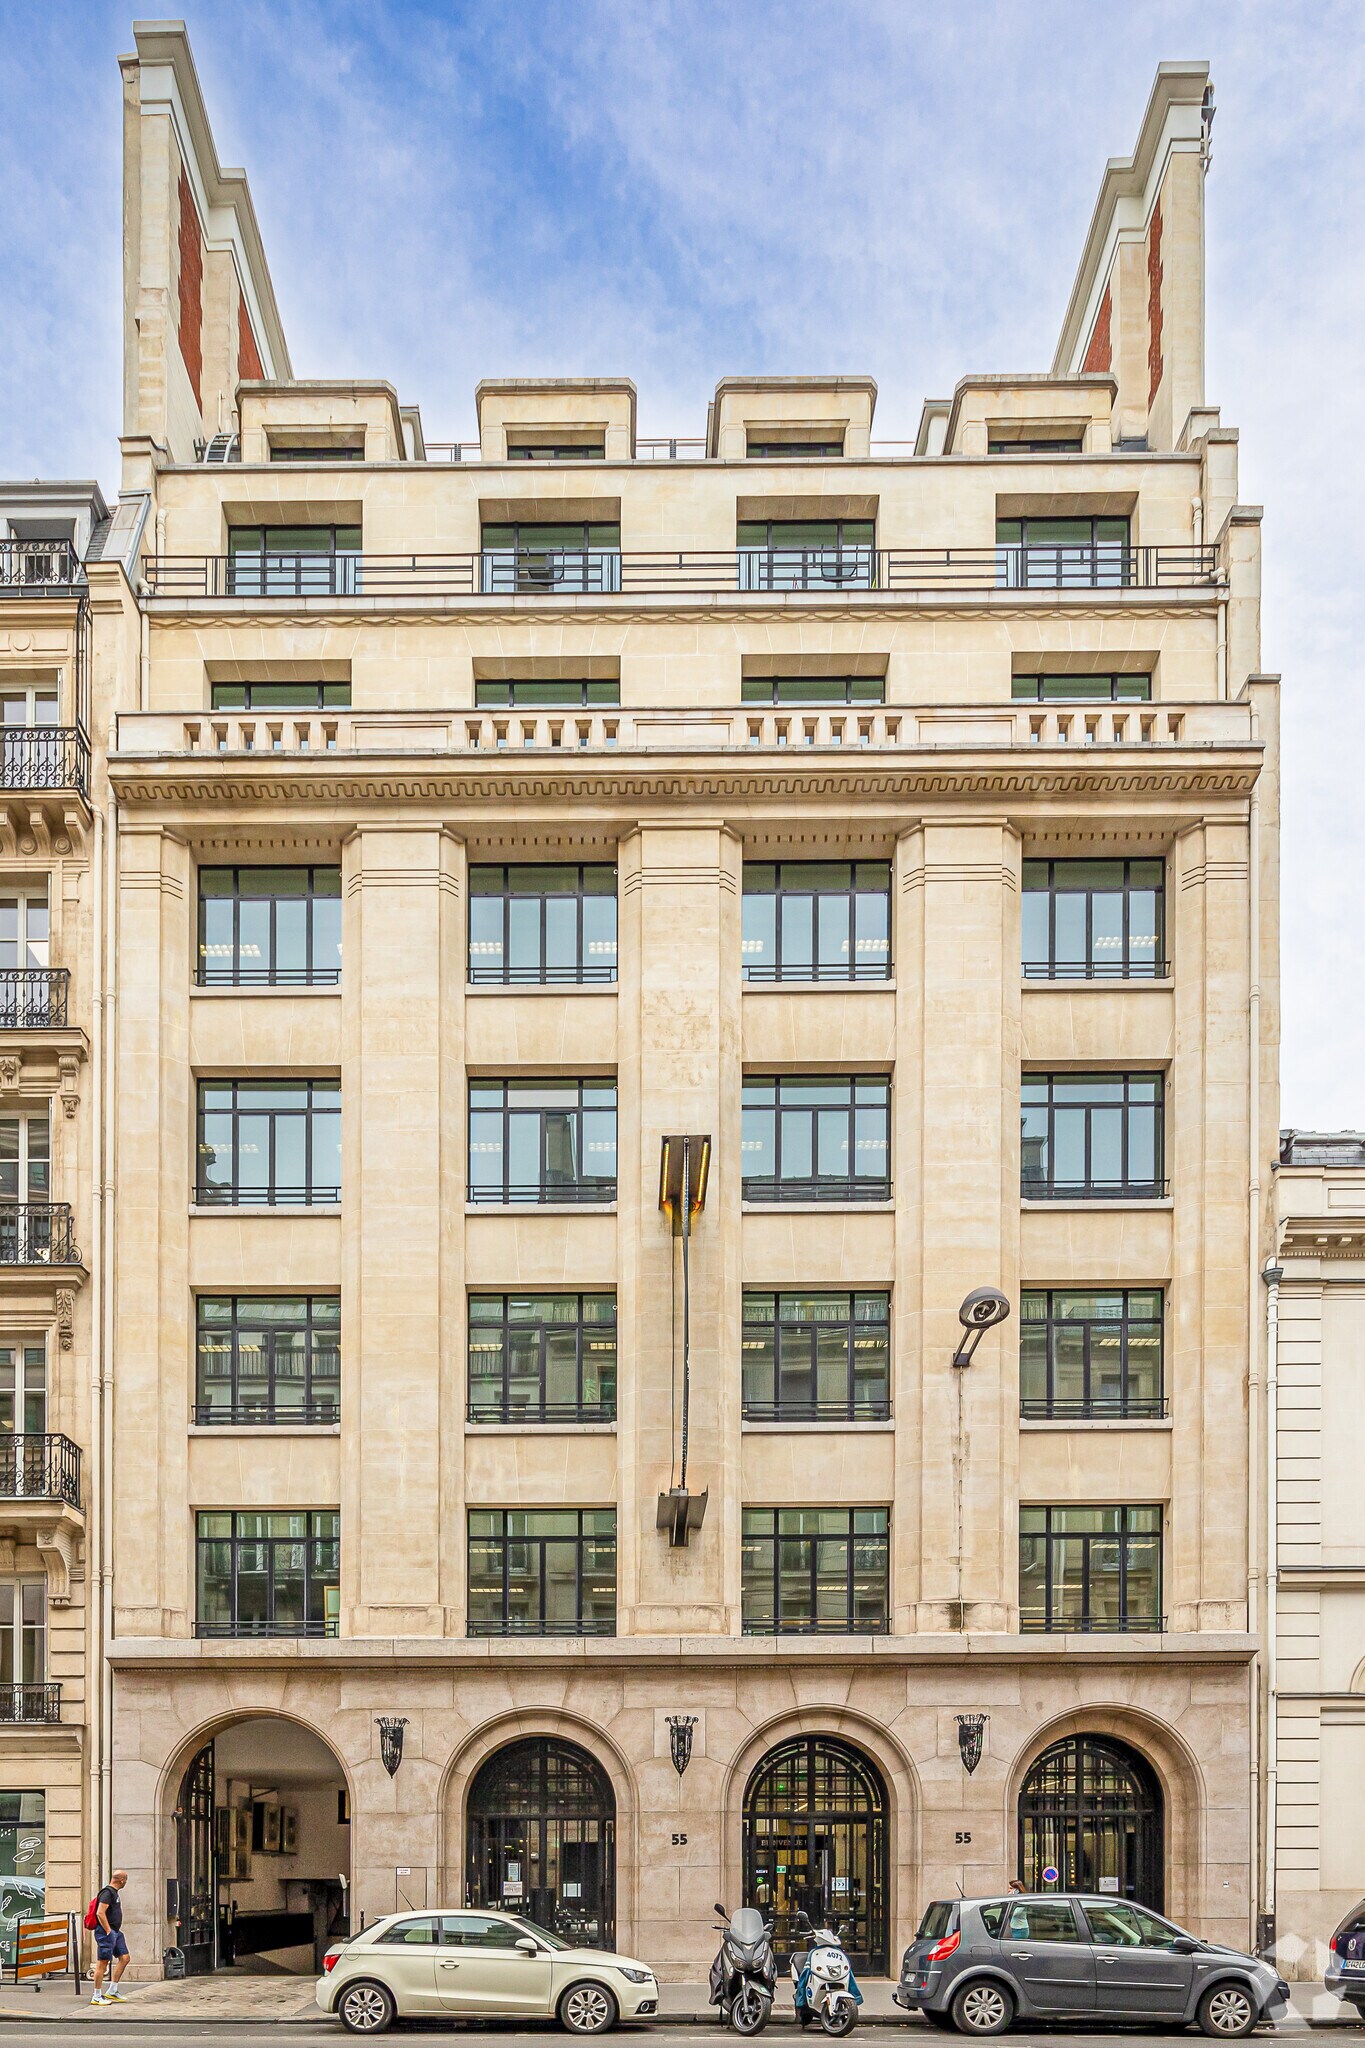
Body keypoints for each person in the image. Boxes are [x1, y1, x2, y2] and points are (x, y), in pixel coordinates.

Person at [91, 1870, 130, 2005]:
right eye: (126, 1880)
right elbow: (100, 1913)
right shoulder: (107, 1893)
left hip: (115, 1932)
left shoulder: (114, 1893)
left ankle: (112, 1991)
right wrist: (108, 1930)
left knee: (125, 1958)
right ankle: (96, 1995)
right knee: (102, 1963)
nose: (126, 1882)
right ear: (122, 1881)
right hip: (106, 1932)